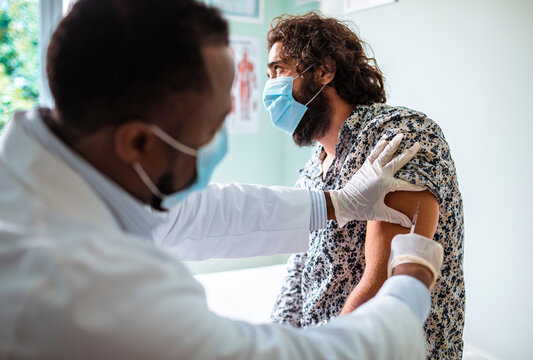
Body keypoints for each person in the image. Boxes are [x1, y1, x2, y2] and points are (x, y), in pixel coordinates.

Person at [0, 1, 441, 359]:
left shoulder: (57, 178)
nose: (219, 142)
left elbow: (196, 214)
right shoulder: (76, 285)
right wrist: (410, 286)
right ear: (137, 142)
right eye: (211, 126)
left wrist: (337, 203)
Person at [264, 12, 465, 360]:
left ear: (324, 70)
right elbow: (297, 272)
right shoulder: (314, 167)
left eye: (279, 69)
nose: (271, 85)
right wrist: (279, 344)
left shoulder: (397, 136)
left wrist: (325, 351)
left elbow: (380, 282)